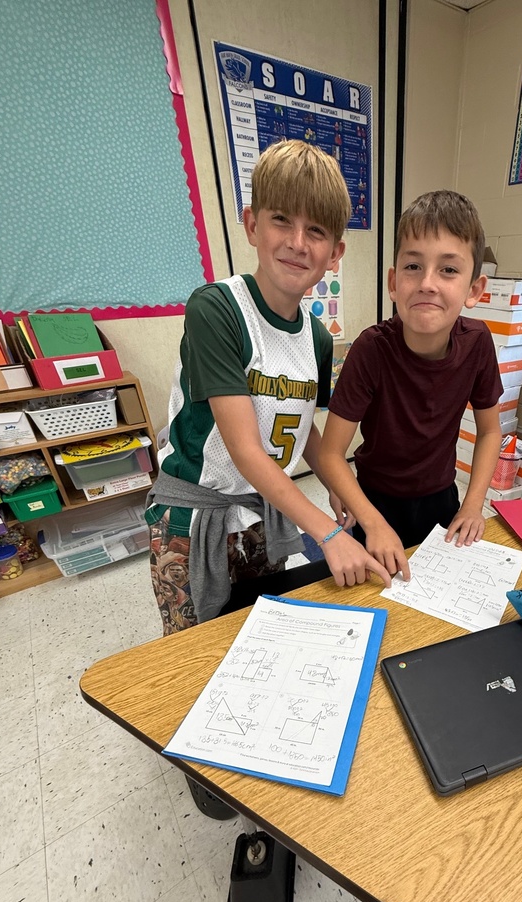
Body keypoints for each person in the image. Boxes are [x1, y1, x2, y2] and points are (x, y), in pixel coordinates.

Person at [146, 139, 392, 638]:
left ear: (335, 253)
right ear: (253, 223)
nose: (298, 243)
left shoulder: (318, 337)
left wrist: (361, 508)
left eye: (316, 231)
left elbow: (310, 436)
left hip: (266, 510)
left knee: (263, 633)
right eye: (282, 220)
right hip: (194, 519)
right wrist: (325, 530)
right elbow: (245, 452)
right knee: (198, 648)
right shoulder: (217, 310)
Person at [321, 190, 503, 581]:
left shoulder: (478, 343)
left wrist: (473, 505)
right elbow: (332, 453)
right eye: (413, 267)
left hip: (441, 499)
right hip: (373, 501)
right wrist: (372, 522)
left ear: (475, 289)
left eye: (449, 270)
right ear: (394, 282)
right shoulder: (370, 349)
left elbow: (490, 431)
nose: (427, 283)